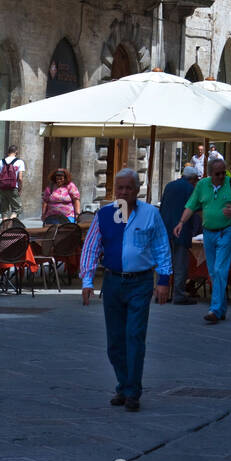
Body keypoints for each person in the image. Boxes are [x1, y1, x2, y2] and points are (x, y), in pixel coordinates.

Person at [79, 168, 171, 411]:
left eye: (128, 187)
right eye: (119, 187)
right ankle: (123, 384)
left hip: (140, 282)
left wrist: (163, 281)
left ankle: (132, 391)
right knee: (115, 341)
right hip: (113, 282)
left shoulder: (151, 214)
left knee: (135, 336)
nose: (123, 192)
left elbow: (162, 247)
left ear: (137, 190)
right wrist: (87, 280)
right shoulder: (105, 214)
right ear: (114, 189)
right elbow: (91, 248)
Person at [173, 155, 231, 323]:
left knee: (220, 270)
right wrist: (181, 223)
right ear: (210, 174)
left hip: (226, 231)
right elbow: (191, 205)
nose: (222, 176)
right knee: (213, 272)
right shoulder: (202, 185)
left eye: (223, 173)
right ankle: (221, 308)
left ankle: (214, 309)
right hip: (208, 232)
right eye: (218, 174)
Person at [158, 165, 200, 305]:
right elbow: (194, 209)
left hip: (164, 229)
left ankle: (160, 292)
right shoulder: (190, 189)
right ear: (193, 179)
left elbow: (163, 205)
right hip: (181, 230)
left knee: (164, 262)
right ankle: (178, 294)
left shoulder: (169, 186)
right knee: (180, 264)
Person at [0, 145, 25, 219]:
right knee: (17, 209)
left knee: (4, 211)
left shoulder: (1, 161)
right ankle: (11, 222)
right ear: (16, 152)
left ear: (8, 152)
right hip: (13, 188)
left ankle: (4, 228)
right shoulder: (20, 162)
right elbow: (20, 178)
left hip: (3, 188)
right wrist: (20, 189)